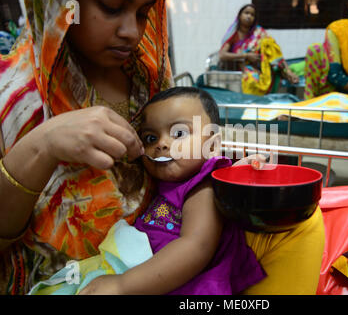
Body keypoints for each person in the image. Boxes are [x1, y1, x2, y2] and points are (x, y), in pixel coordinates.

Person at [0, 0, 324, 295]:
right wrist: (41, 145)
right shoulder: (15, 93)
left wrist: (227, 176)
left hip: (148, 274)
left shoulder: (148, 69)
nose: (132, 32)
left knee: (305, 222)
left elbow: (195, 242)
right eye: (113, 6)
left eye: (143, 12)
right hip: (81, 275)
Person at [29, 86, 266, 295]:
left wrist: (122, 285)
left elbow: (195, 246)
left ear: (212, 145)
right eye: (151, 137)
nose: (161, 144)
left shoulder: (204, 186)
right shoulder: (168, 183)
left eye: (179, 133)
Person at [219, 4, 300, 96]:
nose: (249, 16)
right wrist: (246, 55)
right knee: (251, 80)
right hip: (243, 68)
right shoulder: (234, 34)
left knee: (268, 42)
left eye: (252, 15)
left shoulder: (259, 32)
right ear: (239, 15)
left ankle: (287, 72)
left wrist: (287, 69)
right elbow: (222, 55)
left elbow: (274, 52)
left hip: (263, 66)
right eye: (246, 13)